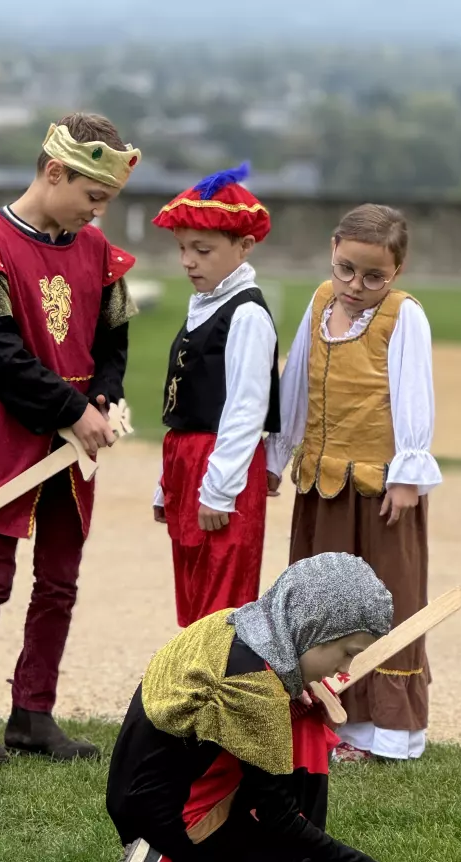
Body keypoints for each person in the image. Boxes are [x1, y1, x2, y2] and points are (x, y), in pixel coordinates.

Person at [0, 113, 141, 764]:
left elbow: (113, 341)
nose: (97, 211)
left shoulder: (98, 252)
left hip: (75, 441)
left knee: (59, 581)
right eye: (92, 196)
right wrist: (71, 408)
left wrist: (102, 397)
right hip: (7, 433)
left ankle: (33, 713)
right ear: (55, 172)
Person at [96, 553, 430, 862]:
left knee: (300, 856)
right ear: (313, 630)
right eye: (347, 653)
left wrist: (292, 689)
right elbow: (278, 815)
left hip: (138, 797)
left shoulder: (237, 624)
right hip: (171, 818)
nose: (345, 669)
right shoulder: (255, 687)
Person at [266, 204, 442, 763]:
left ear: (397, 271)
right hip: (322, 484)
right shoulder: (320, 301)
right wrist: (276, 455)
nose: (355, 286)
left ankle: (385, 733)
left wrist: (407, 475)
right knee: (322, 602)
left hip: (381, 489)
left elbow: (413, 394)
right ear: (333, 249)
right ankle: (325, 722)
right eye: (346, 269)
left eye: (373, 277)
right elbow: (296, 385)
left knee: (387, 596)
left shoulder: (402, 316)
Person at [150, 163, 279, 627]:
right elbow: (185, 400)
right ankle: (195, 671)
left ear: (244, 246)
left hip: (221, 466)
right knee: (191, 593)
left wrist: (220, 490)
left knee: (221, 601)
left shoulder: (246, 315)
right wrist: (168, 482)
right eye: (183, 248)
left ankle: (222, 674)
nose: (188, 261)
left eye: (202, 250)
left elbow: (246, 409)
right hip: (188, 462)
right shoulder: (205, 305)